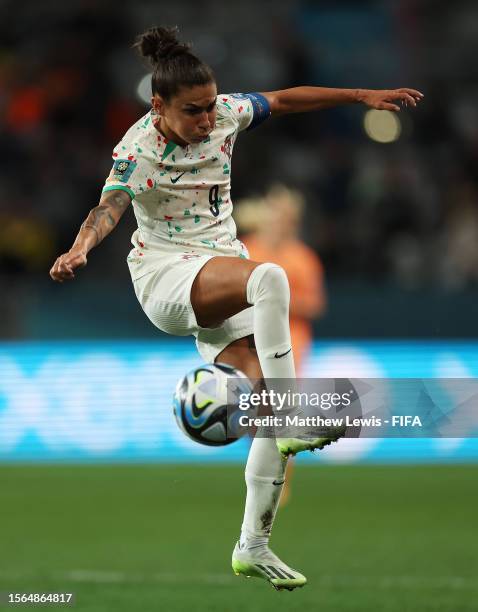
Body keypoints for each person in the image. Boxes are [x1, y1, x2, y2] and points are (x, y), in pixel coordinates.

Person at [49, 26, 423, 591]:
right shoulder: (137, 151)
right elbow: (109, 208)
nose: (206, 121)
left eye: (209, 108)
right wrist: (79, 247)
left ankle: (253, 544)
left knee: (266, 411)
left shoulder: (224, 113)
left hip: (222, 267)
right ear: (158, 106)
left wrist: (359, 97)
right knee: (271, 279)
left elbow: (287, 99)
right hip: (168, 277)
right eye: (192, 112)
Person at [241, 184, 326, 506]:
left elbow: (315, 304)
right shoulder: (248, 250)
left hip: (291, 342)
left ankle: (280, 479)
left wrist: (278, 301)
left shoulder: (302, 259)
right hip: (250, 341)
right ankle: (264, 472)